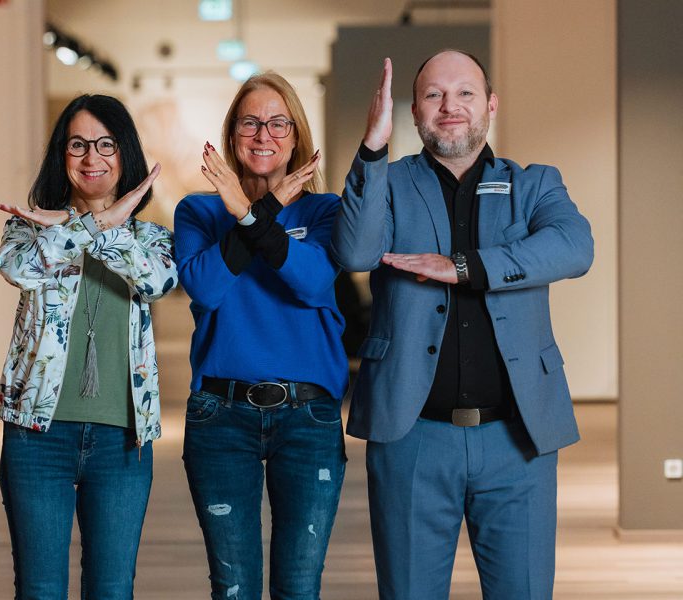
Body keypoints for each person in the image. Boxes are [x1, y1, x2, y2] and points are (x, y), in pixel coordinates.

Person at [331, 51, 594, 599]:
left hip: (516, 440)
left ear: (490, 105)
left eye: (465, 93)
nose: (450, 107)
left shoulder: (535, 184)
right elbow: (355, 251)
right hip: (412, 438)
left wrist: (464, 267)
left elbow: (574, 247)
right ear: (414, 111)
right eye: (433, 95)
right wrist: (373, 146)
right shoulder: (390, 182)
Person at [0, 94, 177, 599]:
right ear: (62, 154)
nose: (92, 157)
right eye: (78, 144)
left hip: (122, 440)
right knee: (40, 589)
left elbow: (156, 281)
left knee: (112, 590)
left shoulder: (155, 239)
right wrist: (92, 223)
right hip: (37, 437)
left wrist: (103, 227)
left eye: (106, 144)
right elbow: (18, 269)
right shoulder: (26, 228)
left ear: (126, 155)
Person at [174, 72, 347, 600]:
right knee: (234, 588)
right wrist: (263, 212)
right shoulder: (198, 212)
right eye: (250, 122)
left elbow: (313, 282)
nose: (263, 134)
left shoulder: (325, 210)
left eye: (278, 123)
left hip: (308, 417)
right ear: (231, 136)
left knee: (298, 587)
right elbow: (205, 287)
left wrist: (252, 214)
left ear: (296, 137)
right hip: (220, 417)